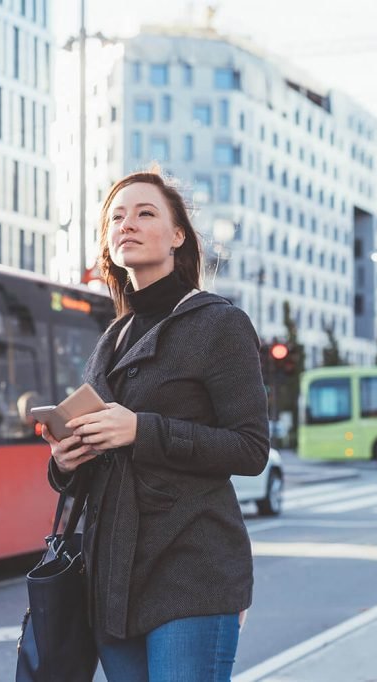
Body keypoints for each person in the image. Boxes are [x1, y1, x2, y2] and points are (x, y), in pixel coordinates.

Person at [42, 169, 269, 682]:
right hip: (111, 585)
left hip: (191, 570)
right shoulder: (112, 338)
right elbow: (101, 460)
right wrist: (66, 461)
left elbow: (251, 449)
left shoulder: (219, 323)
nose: (128, 224)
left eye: (146, 213)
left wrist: (142, 430)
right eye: (116, 217)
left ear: (178, 236)